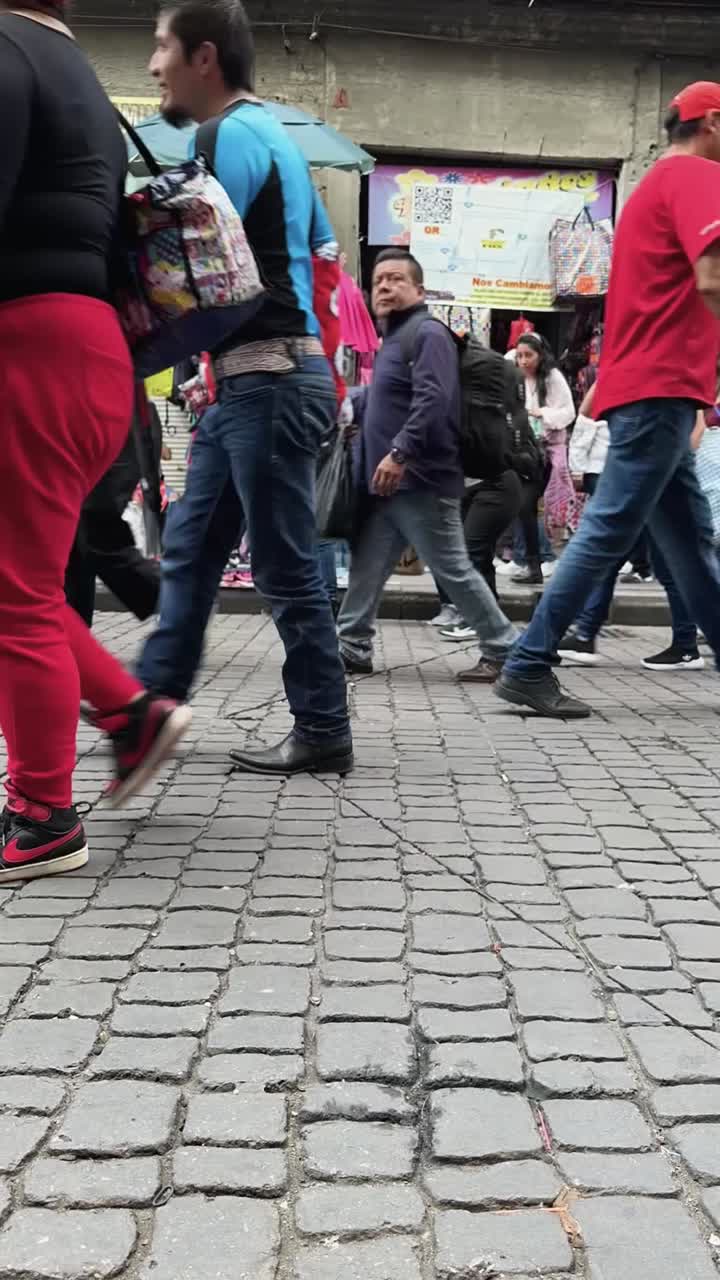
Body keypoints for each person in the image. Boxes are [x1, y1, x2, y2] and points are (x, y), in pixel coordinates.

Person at [0, 0, 192, 882]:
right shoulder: (79, 76)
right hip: (89, 353)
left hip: (29, 347)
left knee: (16, 597)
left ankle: (42, 815)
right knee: (21, 586)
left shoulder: (7, 48)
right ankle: (127, 713)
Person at [139, 0, 352, 777]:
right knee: (192, 549)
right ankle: (147, 710)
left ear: (203, 57)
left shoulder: (223, 135)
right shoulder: (269, 133)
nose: (152, 65)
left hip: (266, 381)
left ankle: (324, 729)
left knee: (284, 563)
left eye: (161, 48)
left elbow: (207, 267)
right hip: (255, 384)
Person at [495, 81, 720, 718]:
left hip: (651, 385)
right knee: (609, 527)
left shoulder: (654, 184)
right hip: (663, 385)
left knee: (690, 538)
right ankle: (530, 660)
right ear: (713, 123)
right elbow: (713, 275)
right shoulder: (702, 178)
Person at [336, 249, 518, 683]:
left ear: (418, 289)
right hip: (386, 484)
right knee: (367, 564)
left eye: (396, 279)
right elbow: (386, 399)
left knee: (452, 567)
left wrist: (401, 451)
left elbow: (434, 399)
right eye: (378, 280)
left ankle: (504, 649)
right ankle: (352, 645)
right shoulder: (392, 340)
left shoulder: (427, 332)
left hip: (420, 480)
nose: (384, 286)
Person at [434, 359, 540, 642]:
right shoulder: (477, 409)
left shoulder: (492, 415)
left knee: (473, 550)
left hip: (498, 487)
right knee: (474, 554)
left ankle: (485, 621)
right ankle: (484, 618)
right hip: (477, 488)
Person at [510, 333, 576, 583]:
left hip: (545, 452)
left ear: (540, 355)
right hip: (521, 450)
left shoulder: (552, 378)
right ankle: (532, 564)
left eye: (529, 355)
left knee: (526, 504)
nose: (524, 361)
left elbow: (569, 412)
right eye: (520, 356)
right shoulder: (515, 377)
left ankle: (537, 562)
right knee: (522, 507)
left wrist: (542, 414)